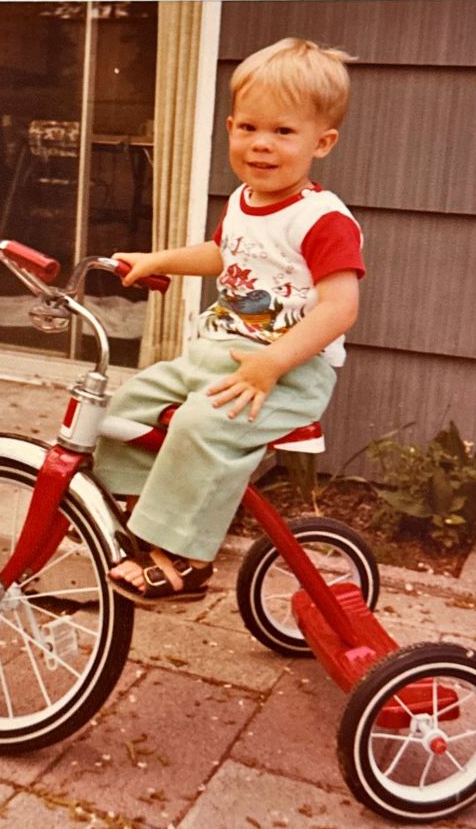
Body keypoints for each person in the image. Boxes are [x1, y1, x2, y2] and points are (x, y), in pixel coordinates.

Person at [93, 37, 365, 604]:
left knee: (199, 427)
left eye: (283, 132)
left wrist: (271, 363)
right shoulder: (245, 199)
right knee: (129, 406)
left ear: (324, 142)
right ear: (230, 127)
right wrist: (160, 259)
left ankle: (187, 560)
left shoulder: (322, 220)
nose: (261, 145)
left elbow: (340, 309)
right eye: (248, 128)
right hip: (217, 354)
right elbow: (226, 254)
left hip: (287, 372)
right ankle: (144, 519)